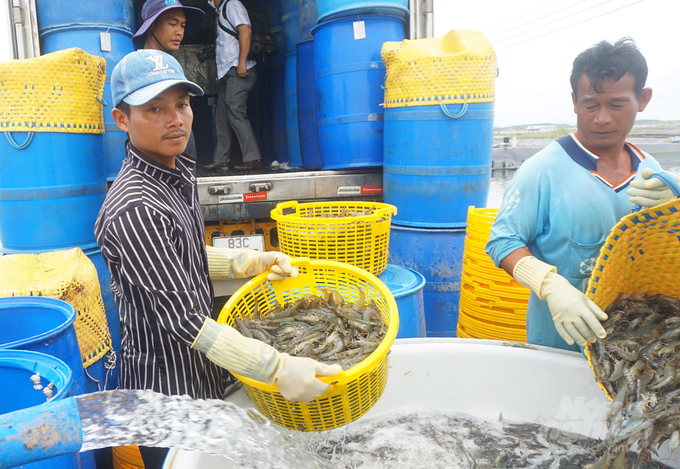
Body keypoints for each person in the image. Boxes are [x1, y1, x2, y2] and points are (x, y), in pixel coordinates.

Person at [95, 50, 342, 468]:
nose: (175, 119)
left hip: (209, 369)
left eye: (182, 104)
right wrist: (276, 367)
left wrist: (246, 262)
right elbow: (184, 320)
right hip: (167, 393)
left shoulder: (177, 168)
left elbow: (183, 251)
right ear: (122, 119)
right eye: (154, 109)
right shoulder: (134, 207)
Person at [485, 38, 677, 352]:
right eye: (590, 105)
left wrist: (675, 210)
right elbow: (502, 241)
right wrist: (550, 285)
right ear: (574, 102)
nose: (601, 118)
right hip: (560, 342)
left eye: (616, 104)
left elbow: (665, 254)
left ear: (642, 99)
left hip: (638, 345)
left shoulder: (652, 172)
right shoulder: (543, 170)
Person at [132, 0, 206, 164]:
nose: (179, 31)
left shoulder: (171, 68)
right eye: (172, 24)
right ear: (151, 25)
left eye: (183, 26)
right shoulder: (137, 71)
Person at [201, 0, 263, 170]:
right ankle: (221, 158)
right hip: (228, 73)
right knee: (221, 115)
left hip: (239, 70)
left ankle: (253, 158)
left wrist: (241, 62)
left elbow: (245, 30)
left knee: (236, 111)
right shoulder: (220, 11)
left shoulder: (232, 4)